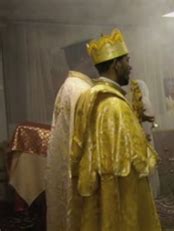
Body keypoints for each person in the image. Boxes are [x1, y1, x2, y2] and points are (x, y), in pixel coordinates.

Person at [70, 28, 161, 230]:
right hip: (120, 189)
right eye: (126, 61)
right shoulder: (115, 105)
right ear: (115, 64)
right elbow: (136, 159)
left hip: (98, 185)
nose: (130, 66)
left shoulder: (88, 97)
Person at [46, 39, 96, 231]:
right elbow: (85, 138)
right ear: (84, 58)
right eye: (94, 55)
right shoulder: (80, 90)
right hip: (80, 173)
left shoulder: (70, 85)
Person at [123, 79, 161, 198]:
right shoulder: (145, 101)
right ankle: (153, 193)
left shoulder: (131, 102)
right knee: (149, 160)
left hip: (139, 136)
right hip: (146, 134)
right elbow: (152, 116)